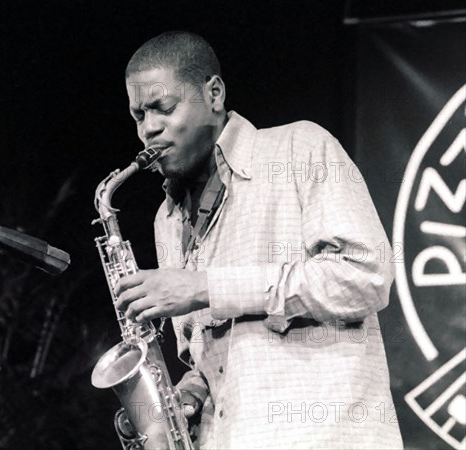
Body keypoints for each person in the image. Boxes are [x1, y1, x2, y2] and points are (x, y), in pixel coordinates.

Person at [114, 31, 403, 449]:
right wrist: (189, 395)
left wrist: (205, 287)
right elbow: (208, 358)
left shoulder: (300, 147)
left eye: (163, 107)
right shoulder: (167, 218)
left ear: (214, 93)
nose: (149, 129)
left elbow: (365, 275)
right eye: (138, 116)